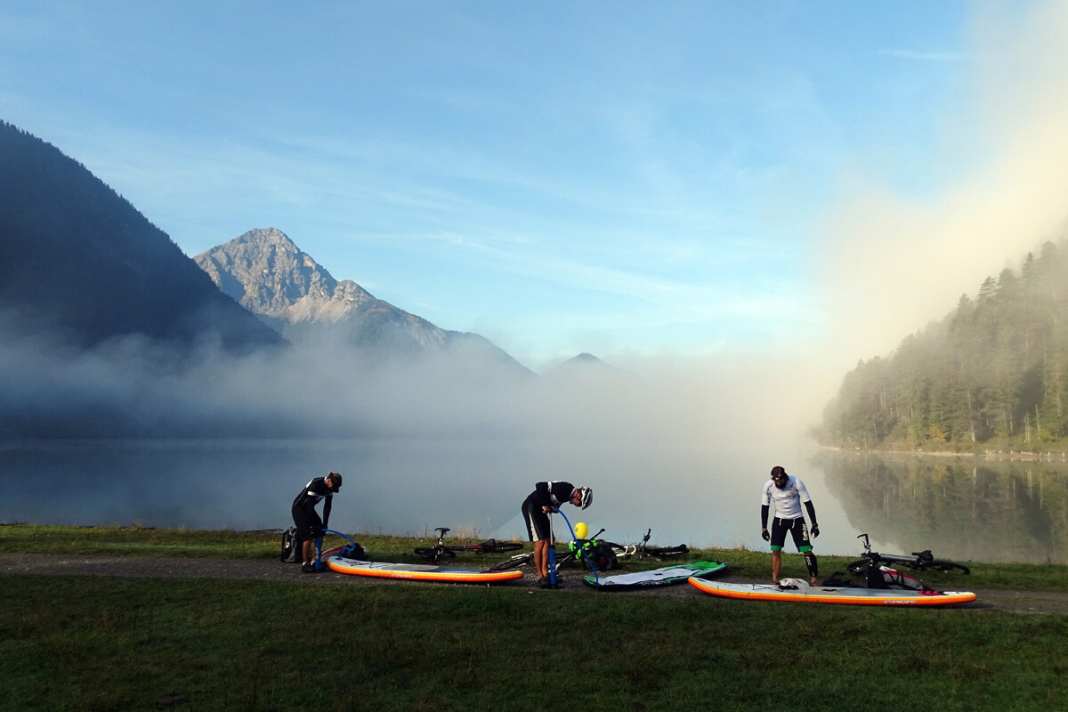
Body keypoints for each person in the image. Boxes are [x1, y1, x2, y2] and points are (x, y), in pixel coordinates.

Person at [521, 481, 592, 586]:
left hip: (541, 511)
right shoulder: (565, 488)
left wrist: (552, 508)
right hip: (531, 506)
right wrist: (545, 504)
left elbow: (554, 502)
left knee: (549, 541)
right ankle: (540, 576)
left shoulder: (567, 495)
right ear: (579, 495)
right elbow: (540, 485)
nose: (577, 506)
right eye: (580, 504)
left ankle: (545, 573)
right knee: (540, 542)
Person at [760, 465, 820, 585]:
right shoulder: (768, 486)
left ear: (785, 478)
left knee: (806, 550)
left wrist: (814, 524)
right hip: (779, 520)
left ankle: (813, 578)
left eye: (781, 480)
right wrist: (764, 528)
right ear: (773, 479)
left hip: (797, 519)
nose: (779, 483)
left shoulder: (796, 482)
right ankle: (775, 579)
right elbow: (765, 508)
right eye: (776, 480)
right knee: (775, 550)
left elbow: (808, 503)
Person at [292, 471, 343, 572]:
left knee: (320, 531)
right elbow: (308, 506)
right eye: (333, 486)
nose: (332, 489)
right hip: (299, 509)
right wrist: (311, 526)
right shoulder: (316, 483)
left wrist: (325, 524)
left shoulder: (330, 488)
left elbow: (327, 507)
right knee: (307, 536)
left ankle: (315, 560)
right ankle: (305, 564)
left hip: (309, 509)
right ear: (328, 480)